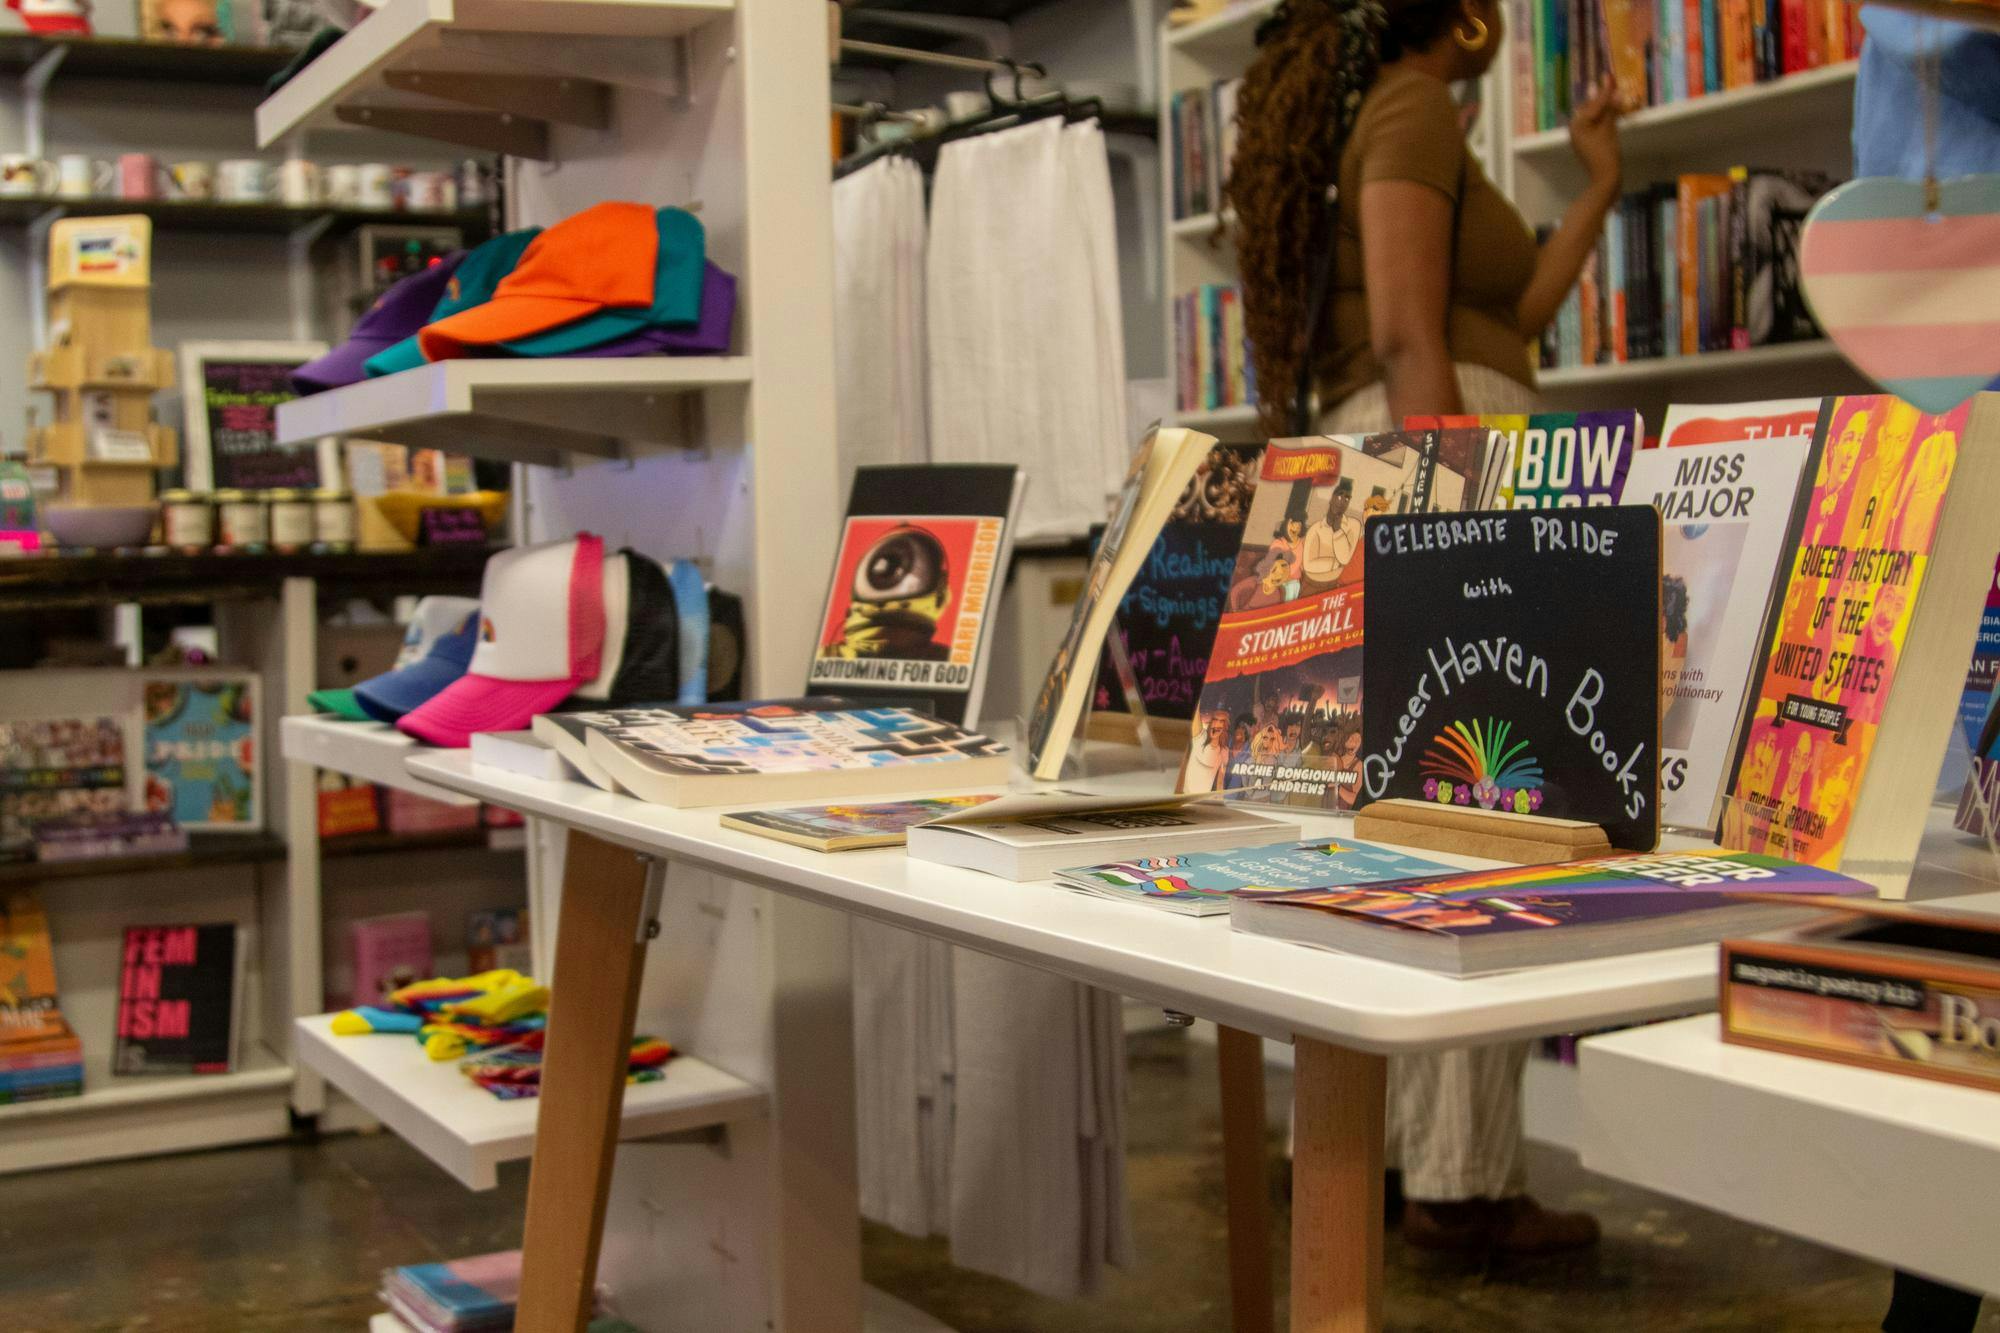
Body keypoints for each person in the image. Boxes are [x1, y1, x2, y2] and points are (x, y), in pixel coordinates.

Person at [1228, 0, 1624, 1255]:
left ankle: (1373, 1154)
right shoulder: (1408, 105)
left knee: (1398, 827)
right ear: (1460, 17)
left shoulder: (1383, 114)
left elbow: (1504, 316)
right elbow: (1409, 335)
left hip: (1404, 457)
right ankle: (1460, 1179)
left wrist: (1598, 184)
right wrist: (1463, 533)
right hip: (1437, 465)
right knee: (1483, 817)